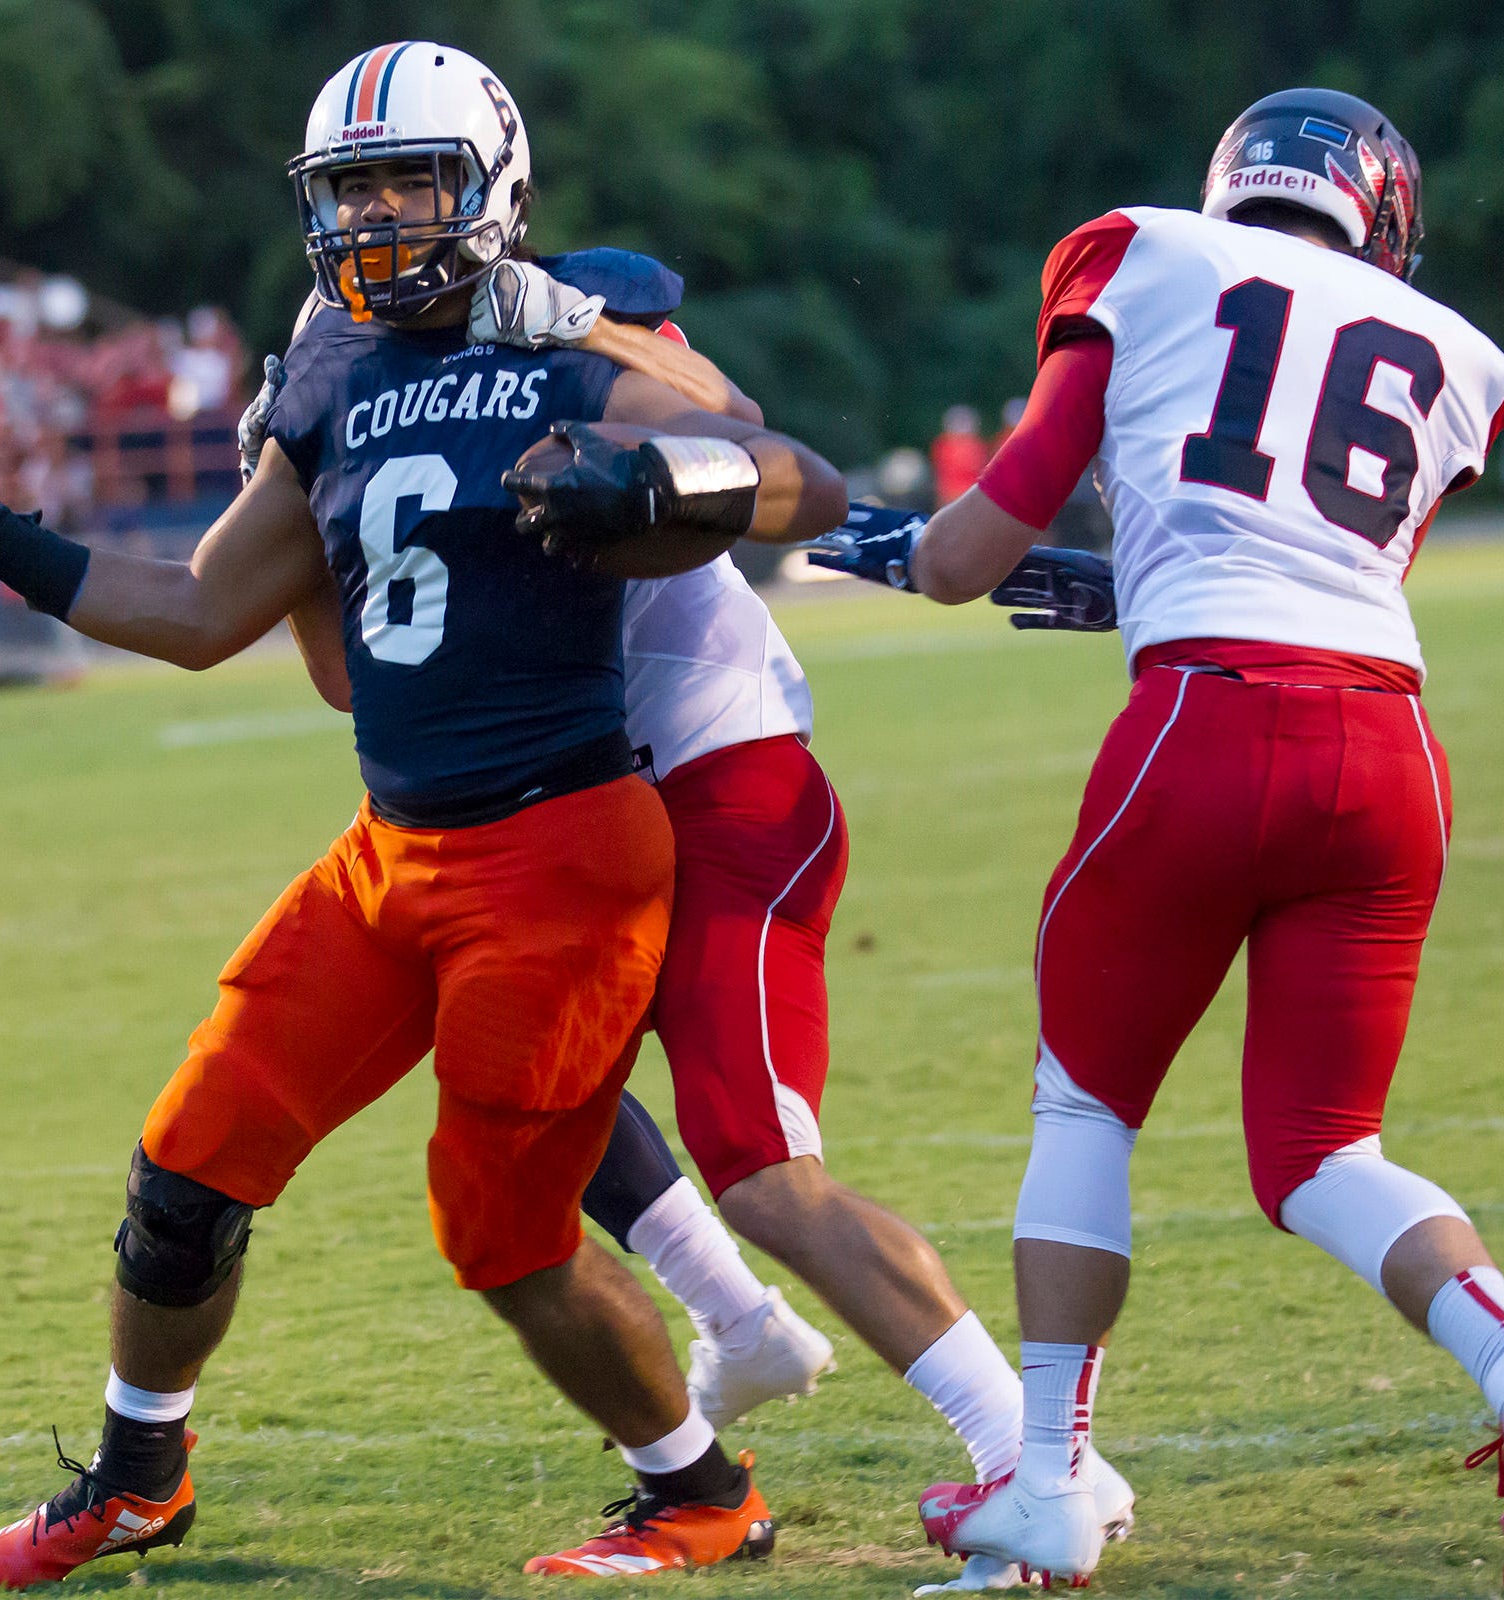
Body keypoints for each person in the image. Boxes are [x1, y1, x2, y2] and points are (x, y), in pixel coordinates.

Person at [0, 42, 848, 1588]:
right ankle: (137, 1478)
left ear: (493, 188)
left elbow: (806, 480)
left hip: (564, 853)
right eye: (352, 187)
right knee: (187, 1164)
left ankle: (703, 1495)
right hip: (394, 849)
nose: (381, 213)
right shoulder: (328, 360)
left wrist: (659, 483)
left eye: (413, 179)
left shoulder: (567, 339)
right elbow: (198, 610)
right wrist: (5, 541)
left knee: (502, 1236)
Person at [811, 89, 1504, 1592]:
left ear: (1232, 183)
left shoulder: (1144, 251)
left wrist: (908, 552)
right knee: (1324, 1150)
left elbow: (995, 523)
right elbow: (1323, 554)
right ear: (1381, 220)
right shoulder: (1464, 358)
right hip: (1387, 753)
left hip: (1204, 727)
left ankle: (1047, 1482)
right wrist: (1141, 581)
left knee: (1086, 1111)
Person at [248, 256, 1135, 1593]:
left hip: (732, 805)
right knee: (523, 1070)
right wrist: (304, 479)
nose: (646, 349)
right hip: (617, 821)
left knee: (767, 1170)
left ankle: (1038, 1459)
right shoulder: (457, 417)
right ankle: (743, 1328)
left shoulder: (576, 413)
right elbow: (346, 671)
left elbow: (767, 484)